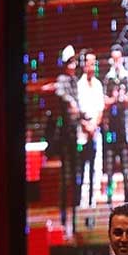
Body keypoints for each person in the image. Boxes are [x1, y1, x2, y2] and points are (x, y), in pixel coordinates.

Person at [55, 44, 81, 228]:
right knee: (65, 178)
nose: (74, 65)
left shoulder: (75, 81)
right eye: (71, 62)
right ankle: (64, 218)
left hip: (75, 135)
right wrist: (71, 103)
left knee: (75, 177)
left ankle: (75, 217)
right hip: (65, 136)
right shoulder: (62, 80)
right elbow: (61, 94)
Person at [103, 45, 128, 206]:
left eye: (118, 59)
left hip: (123, 131)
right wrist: (114, 99)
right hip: (110, 132)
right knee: (109, 171)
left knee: (125, 170)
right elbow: (104, 102)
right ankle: (109, 200)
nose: (116, 62)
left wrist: (122, 97)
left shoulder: (126, 77)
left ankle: (127, 201)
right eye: (114, 59)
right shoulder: (108, 79)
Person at [76, 50, 104, 207]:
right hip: (82, 133)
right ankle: (82, 202)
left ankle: (93, 201)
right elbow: (77, 111)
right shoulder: (78, 85)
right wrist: (86, 125)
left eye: (94, 64)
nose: (92, 66)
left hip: (95, 131)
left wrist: (94, 125)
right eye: (89, 63)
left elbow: (100, 109)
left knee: (95, 167)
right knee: (82, 168)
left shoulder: (98, 85)